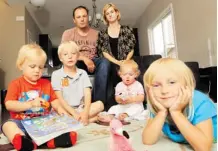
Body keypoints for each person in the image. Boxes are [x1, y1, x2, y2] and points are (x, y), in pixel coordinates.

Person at [1, 44, 77, 151]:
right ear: (21, 65)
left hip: (43, 123)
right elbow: (9, 105)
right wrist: (30, 104)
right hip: (21, 123)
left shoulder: (46, 84)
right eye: (32, 66)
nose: (37, 70)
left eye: (41, 67)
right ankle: (22, 140)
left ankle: (54, 140)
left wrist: (62, 112)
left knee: (58, 123)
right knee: (7, 125)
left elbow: (55, 101)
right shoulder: (15, 84)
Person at [142, 58, 217, 151]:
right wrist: (161, 113)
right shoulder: (158, 104)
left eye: (172, 82)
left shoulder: (200, 102)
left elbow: (204, 147)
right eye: (156, 85)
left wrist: (176, 113)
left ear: (186, 84)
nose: (164, 91)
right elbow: (148, 140)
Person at [61, 6, 110, 106]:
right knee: (71, 63)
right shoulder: (68, 33)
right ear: (74, 20)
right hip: (76, 61)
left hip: (94, 61)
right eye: (78, 17)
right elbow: (64, 52)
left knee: (105, 63)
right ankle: (76, 103)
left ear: (88, 17)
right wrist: (84, 58)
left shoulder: (97, 34)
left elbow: (103, 53)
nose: (82, 19)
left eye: (84, 16)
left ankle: (98, 104)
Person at [51, 41, 104, 125]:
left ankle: (75, 121)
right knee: (55, 105)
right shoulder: (56, 74)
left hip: (80, 108)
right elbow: (60, 98)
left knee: (100, 105)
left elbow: (87, 94)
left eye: (73, 53)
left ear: (78, 56)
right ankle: (90, 119)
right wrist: (74, 113)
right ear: (60, 58)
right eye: (65, 54)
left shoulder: (83, 73)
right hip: (65, 109)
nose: (70, 57)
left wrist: (85, 113)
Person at [97, 3, 136, 109]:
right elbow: (104, 51)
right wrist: (117, 62)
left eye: (112, 12)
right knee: (109, 69)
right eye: (107, 13)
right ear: (105, 17)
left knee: (128, 71)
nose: (110, 15)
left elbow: (131, 48)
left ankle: (130, 103)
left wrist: (125, 62)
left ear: (117, 13)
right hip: (111, 63)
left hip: (126, 61)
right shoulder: (102, 33)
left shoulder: (127, 29)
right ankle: (107, 105)